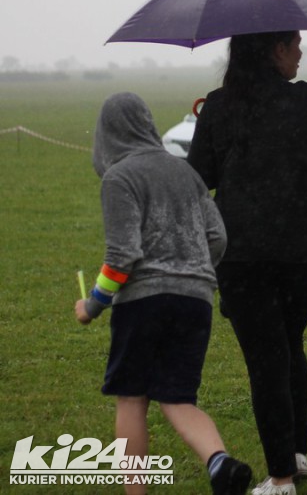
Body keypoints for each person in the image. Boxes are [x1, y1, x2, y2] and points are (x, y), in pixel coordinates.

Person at [187, 31, 307, 495]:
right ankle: (295, 451)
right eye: (294, 43)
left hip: (244, 254)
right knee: (289, 344)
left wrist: (222, 123)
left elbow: (201, 176)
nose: (301, 51)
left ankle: (281, 478)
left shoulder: (220, 106)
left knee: (266, 360)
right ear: (275, 49)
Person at [74, 92, 253, 495]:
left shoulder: (119, 177)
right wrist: (191, 269)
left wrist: (92, 306)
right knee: (179, 399)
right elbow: (217, 236)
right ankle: (220, 464)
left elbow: (122, 258)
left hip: (142, 304)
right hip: (195, 301)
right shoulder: (186, 172)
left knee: (131, 398)